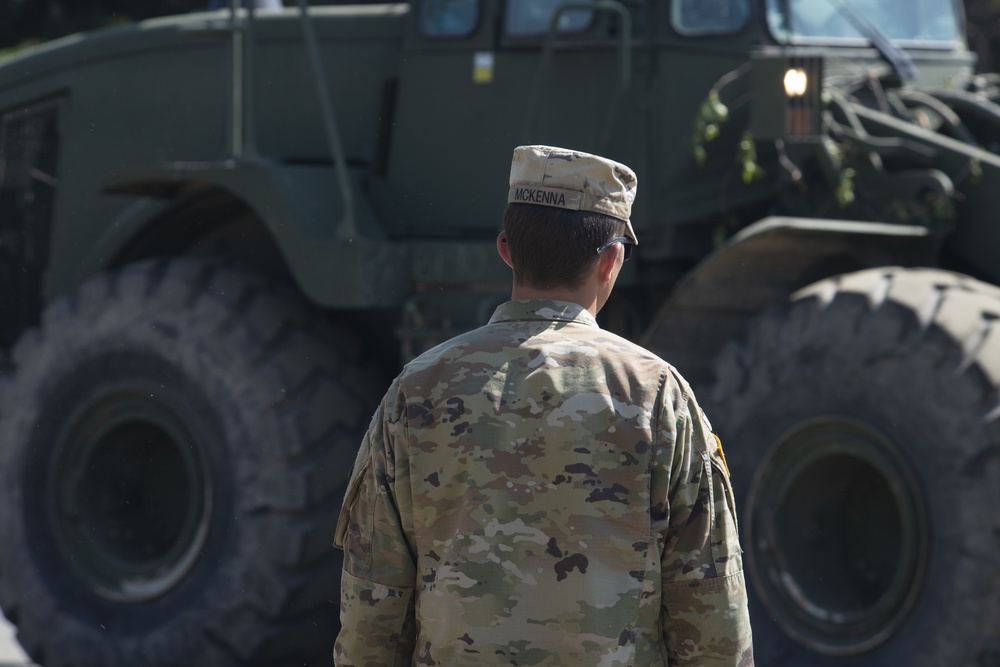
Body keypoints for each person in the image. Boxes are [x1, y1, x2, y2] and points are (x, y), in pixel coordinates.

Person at [333, 145, 754, 666]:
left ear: (506, 249)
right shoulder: (658, 395)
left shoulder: (416, 390)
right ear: (611, 260)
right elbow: (711, 618)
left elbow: (372, 612)